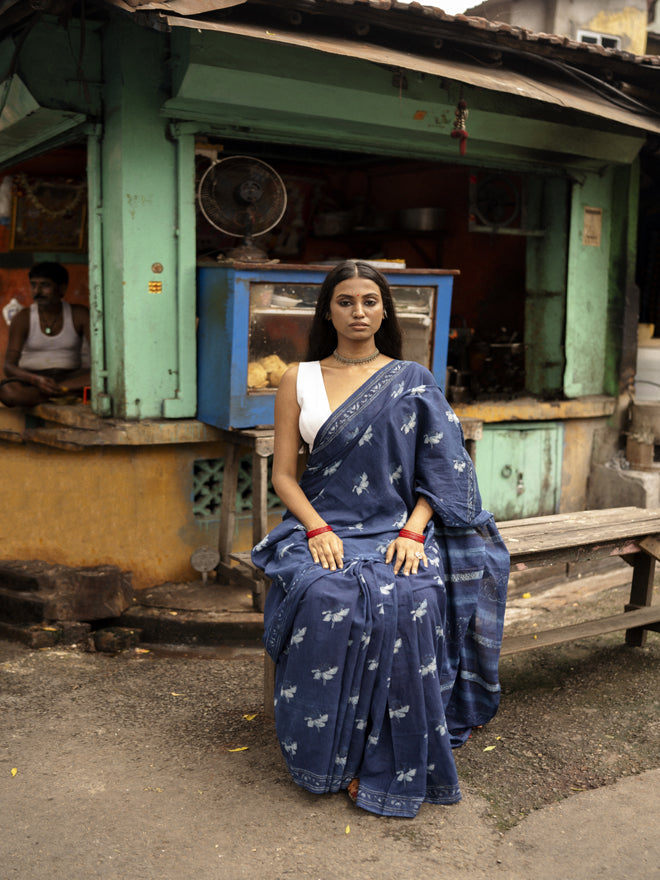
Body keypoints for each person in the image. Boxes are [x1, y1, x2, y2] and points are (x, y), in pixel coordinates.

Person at [252, 260, 509, 818]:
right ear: (328, 310)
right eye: (346, 301)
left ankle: (385, 755)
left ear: (385, 310)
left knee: (411, 597)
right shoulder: (301, 378)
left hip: (397, 526)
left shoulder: (413, 379)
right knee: (326, 597)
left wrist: (415, 532)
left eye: (370, 301)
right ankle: (328, 753)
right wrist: (316, 527)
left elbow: (439, 472)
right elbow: (284, 477)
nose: (358, 312)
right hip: (319, 523)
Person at [0, 262, 90, 407]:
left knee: (100, 377)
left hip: (69, 378)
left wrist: (66, 384)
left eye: (45, 285)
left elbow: (101, 360)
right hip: (32, 380)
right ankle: (61, 394)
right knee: (8, 392)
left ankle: (57, 391)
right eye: (33, 285)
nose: (37, 291)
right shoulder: (23, 318)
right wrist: (35, 380)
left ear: (62, 288)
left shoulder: (79, 314)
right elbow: (9, 366)